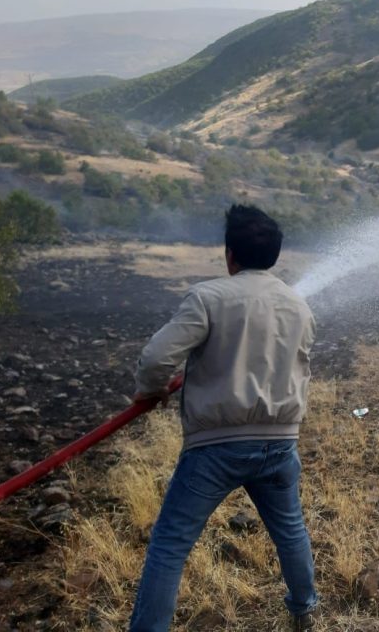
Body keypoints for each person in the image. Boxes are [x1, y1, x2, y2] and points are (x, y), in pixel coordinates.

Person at [129, 204, 319, 632]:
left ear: (229, 254)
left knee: (170, 544)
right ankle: (304, 608)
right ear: (274, 254)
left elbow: (158, 358)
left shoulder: (208, 297)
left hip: (215, 446)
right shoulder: (299, 306)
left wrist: (152, 387)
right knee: (290, 531)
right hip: (279, 443)